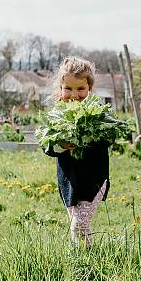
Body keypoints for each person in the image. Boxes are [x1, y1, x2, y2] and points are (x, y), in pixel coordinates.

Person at [44, 56, 110, 246]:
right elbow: (47, 146)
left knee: (78, 226)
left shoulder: (97, 115)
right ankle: (86, 261)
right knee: (80, 227)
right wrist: (61, 145)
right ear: (61, 88)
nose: (74, 94)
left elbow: (107, 140)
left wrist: (88, 137)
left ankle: (81, 262)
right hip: (68, 183)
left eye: (80, 88)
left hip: (93, 182)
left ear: (89, 88)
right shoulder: (58, 116)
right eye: (69, 89)